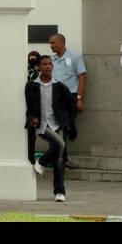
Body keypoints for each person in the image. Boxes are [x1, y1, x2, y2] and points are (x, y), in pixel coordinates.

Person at [26, 54, 77, 203]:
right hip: (41, 124)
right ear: (39, 67)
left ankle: (59, 192)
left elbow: (72, 105)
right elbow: (28, 107)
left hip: (57, 124)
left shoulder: (59, 86)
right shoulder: (32, 86)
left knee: (60, 160)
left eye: (49, 64)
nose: (48, 66)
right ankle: (40, 162)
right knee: (60, 144)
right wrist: (32, 118)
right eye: (44, 64)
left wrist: (66, 121)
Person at [49, 34, 86, 167]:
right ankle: (63, 159)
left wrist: (79, 98)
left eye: (53, 43)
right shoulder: (51, 60)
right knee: (60, 127)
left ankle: (71, 128)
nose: (51, 46)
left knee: (66, 125)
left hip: (71, 96)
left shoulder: (75, 58)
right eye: (50, 43)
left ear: (61, 43)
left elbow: (82, 77)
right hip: (56, 98)